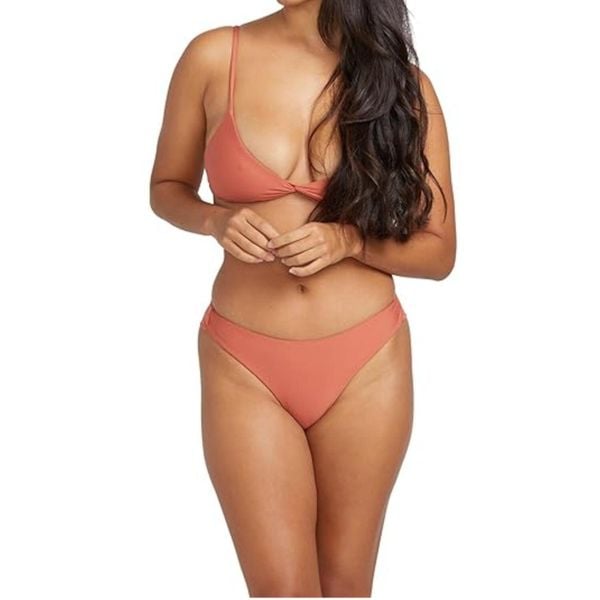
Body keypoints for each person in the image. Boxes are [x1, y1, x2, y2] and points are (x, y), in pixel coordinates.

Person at [149, 0, 456, 596]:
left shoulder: (404, 84)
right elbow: (166, 187)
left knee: (345, 588)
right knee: (282, 590)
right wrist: (215, 219)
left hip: (366, 363)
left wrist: (349, 240)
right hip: (244, 363)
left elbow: (439, 253)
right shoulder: (212, 56)